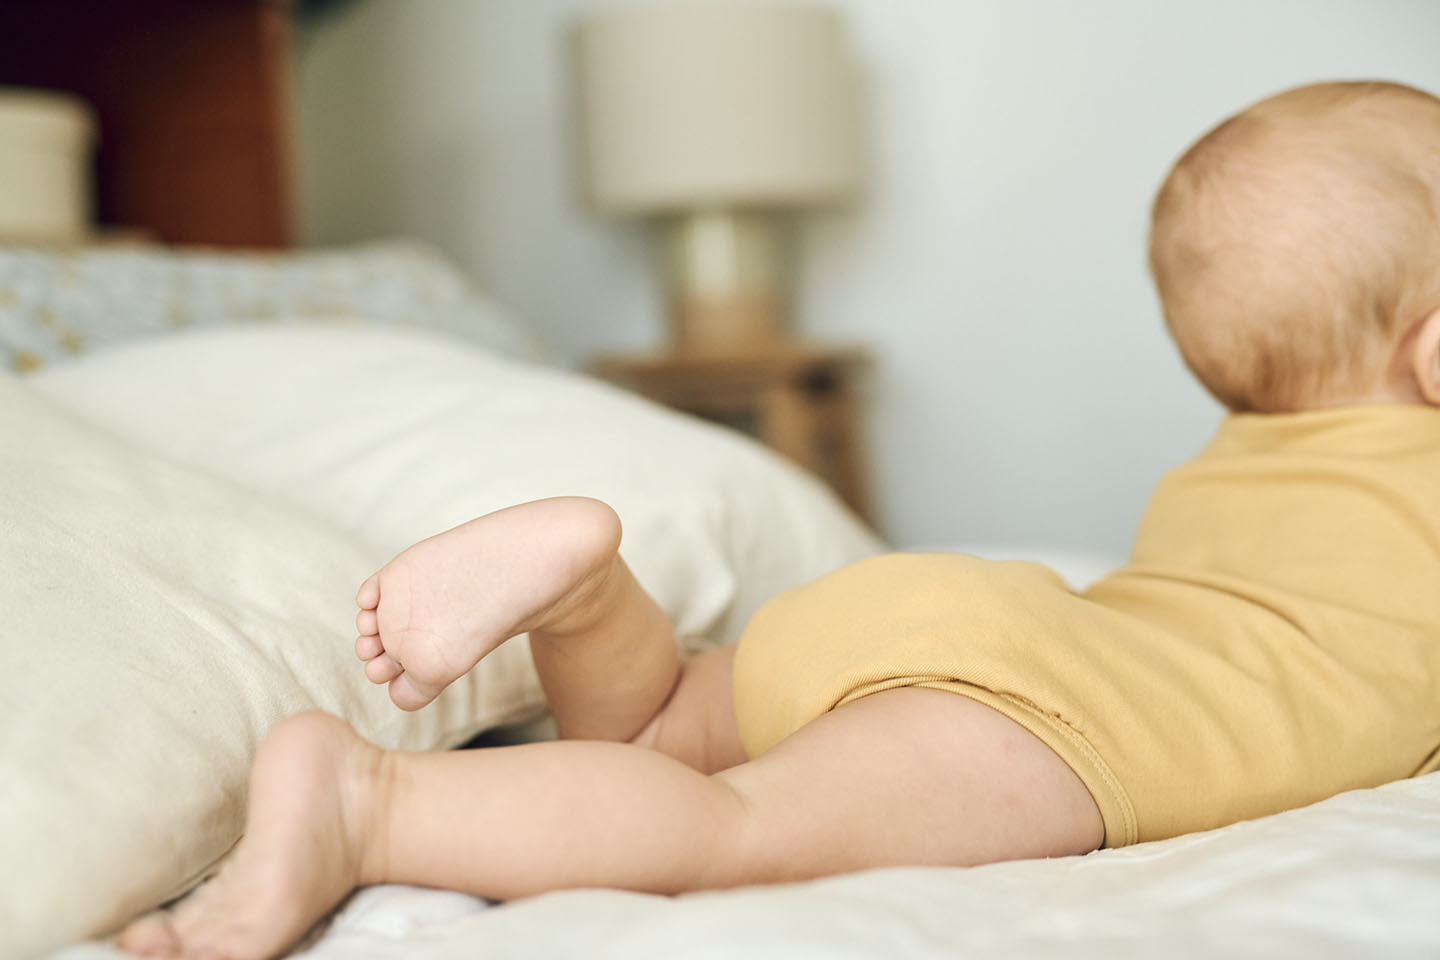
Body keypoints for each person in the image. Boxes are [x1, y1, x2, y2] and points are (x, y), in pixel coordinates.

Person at [119, 79, 1440, 960]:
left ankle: (589, 596)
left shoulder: (1244, 457)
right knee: (740, 835)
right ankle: (372, 810)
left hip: (963, 627)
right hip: (1058, 716)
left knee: (658, 730)